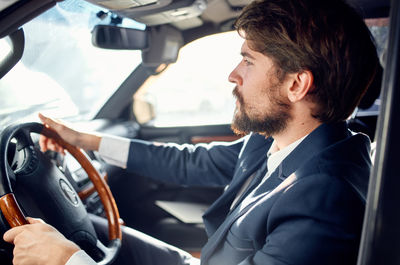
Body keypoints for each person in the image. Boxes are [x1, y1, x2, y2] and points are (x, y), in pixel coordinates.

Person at [3, 0, 380, 264]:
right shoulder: (285, 140)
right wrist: (86, 141)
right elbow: (188, 163)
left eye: (248, 61)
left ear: (297, 85)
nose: (233, 74)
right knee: (92, 235)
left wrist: (68, 261)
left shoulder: (325, 200)